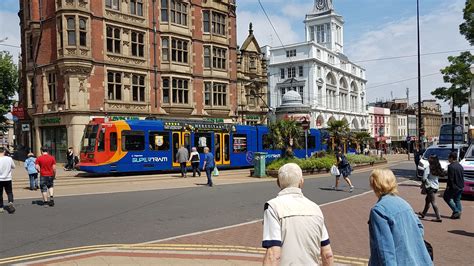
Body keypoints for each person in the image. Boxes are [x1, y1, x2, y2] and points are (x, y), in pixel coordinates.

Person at [262, 163, 333, 265]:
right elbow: (327, 254)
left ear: (278, 183)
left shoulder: (273, 207)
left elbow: (273, 255)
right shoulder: (316, 209)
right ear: (301, 182)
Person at [368, 169, 432, 265]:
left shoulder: (378, 211)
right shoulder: (404, 203)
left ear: (374, 185)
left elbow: (385, 251)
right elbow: (420, 229)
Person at [418, 155, 442, 222]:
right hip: (436, 186)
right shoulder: (437, 167)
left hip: (430, 187)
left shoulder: (428, 168)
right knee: (427, 200)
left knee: (433, 202)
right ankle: (423, 213)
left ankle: (438, 217)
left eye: (429, 158)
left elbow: (424, 178)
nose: (428, 159)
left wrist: (423, 184)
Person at [444, 151, 464, 219]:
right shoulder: (460, 166)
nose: (448, 159)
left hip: (454, 186)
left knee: (447, 197)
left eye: (449, 158)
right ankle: (459, 212)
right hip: (461, 185)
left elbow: (451, 179)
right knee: (457, 199)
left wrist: (448, 187)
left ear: (452, 158)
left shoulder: (451, 166)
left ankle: (456, 211)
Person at [0, 147, 16, 214]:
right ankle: (10, 202)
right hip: (8, 178)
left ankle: (1, 207)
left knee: (0, 193)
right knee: (9, 192)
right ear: (4, 151)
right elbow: (14, 166)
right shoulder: (9, 159)